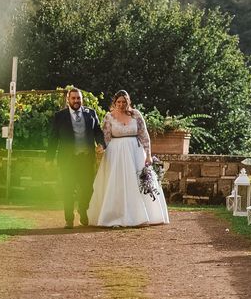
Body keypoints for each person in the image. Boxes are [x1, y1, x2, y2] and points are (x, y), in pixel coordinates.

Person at [87, 90, 169, 227]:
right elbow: (106, 136)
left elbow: (144, 135)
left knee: (137, 182)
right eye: (118, 102)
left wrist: (148, 154)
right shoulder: (109, 116)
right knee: (116, 183)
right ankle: (114, 215)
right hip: (115, 153)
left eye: (124, 102)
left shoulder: (136, 115)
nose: (121, 104)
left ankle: (143, 215)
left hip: (135, 152)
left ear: (128, 102)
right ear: (114, 102)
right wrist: (101, 147)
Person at [46, 87, 106, 228]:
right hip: (67, 160)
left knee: (88, 188)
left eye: (78, 98)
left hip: (86, 158)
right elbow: (53, 138)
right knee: (68, 189)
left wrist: (101, 144)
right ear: (68, 100)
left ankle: (82, 209)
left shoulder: (90, 113)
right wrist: (49, 158)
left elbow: (98, 131)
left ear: (82, 99)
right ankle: (69, 219)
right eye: (73, 98)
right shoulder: (60, 116)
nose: (76, 101)